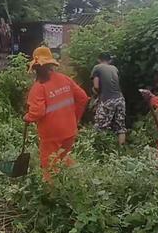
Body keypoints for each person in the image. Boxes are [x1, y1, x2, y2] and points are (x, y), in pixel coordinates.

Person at [24, 46, 89, 180]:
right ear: (50, 64)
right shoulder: (65, 79)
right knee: (64, 158)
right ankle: (75, 183)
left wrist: (27, 117)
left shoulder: (38, 87)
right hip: (69, 130)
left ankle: (51, 196)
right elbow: (82, 97)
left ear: (35, 68)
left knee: (50, 166)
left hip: (51, 135)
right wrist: (75, 119)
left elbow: (38, 112)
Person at [91, 52, 127, 145]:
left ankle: (102, 151)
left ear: (99, 59)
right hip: (120, 99)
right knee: (120, 127)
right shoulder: (114, 68)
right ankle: (121, 151)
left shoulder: (97, 67)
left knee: (101, 126)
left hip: (107, 100)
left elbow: (96, 86)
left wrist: (96, 94)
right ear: (110, 60)